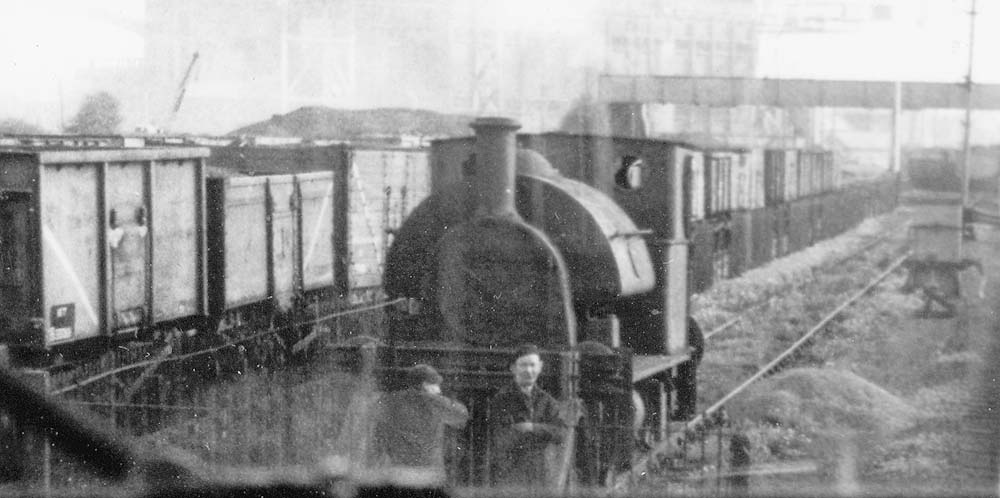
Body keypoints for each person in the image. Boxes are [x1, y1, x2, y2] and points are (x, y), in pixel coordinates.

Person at [487, 344, 567, 489]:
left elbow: (561, 432)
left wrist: (532, 427)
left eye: (533, 365)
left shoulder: (548, 401)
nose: (529, 370)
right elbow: (501, 438)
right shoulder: (501, 400)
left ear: (540, 367)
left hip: (541, 473)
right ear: (513, 368)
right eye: (523, 365)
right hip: (511, 473)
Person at [371, 364, 469, 477]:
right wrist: (435, 398)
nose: (439, 390)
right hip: (429, 470)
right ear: (425, 385)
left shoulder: (391, 401)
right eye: (435, 385)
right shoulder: (436, 403)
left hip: (398, 470)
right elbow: (461, 416)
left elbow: (374, 415)